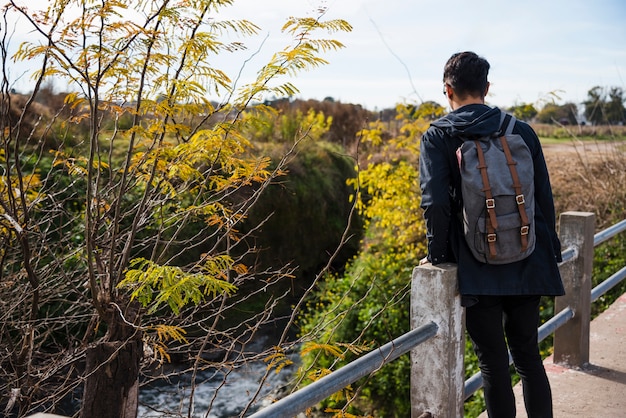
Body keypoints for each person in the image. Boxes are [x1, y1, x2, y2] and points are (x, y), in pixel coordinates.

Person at [418, 51, 565, 418]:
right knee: (529, 358)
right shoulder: (521, 131)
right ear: (486, 87)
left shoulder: (439, 135)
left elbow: (435, 203)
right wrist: (549, 254)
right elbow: (542, 198)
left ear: (447, 90)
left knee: (493, 365)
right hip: (527, 257)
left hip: (476, 265)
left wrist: (437, 254)